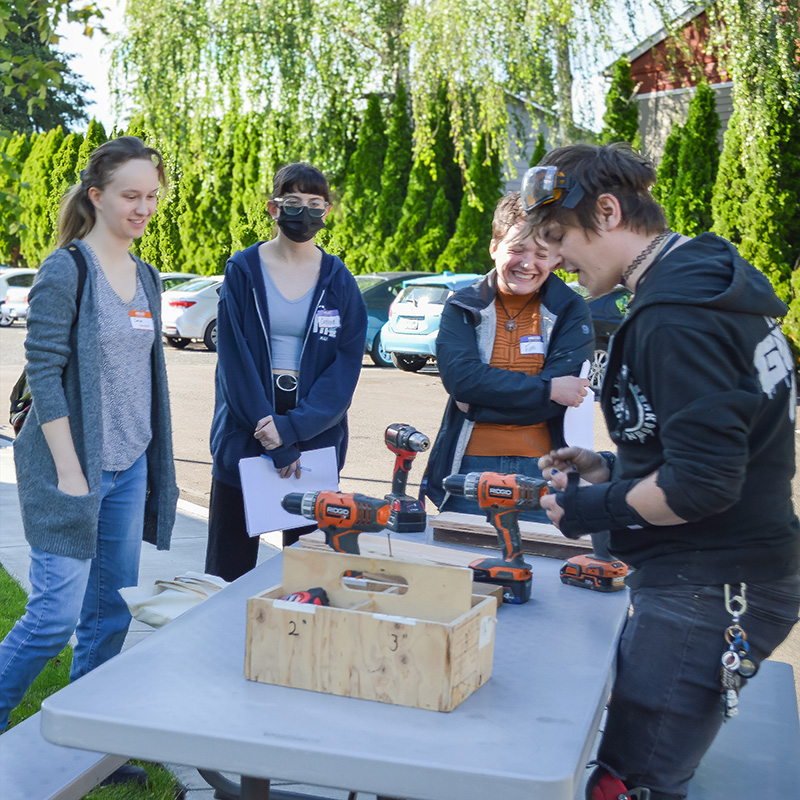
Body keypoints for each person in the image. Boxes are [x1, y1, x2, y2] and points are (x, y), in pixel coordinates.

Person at [526, 143, 800, 800]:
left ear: (610, 211)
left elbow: (704, 484)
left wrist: (595, 509)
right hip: (719, 572)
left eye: (560, 238)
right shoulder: (701, 284)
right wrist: (605, 468)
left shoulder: (677, 317)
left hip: (711, 587)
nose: (556, 260)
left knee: (631, 782)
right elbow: (711, 447)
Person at [0, 137, 179, 784]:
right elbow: (43, 373)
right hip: (67, 469)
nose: (143, 208)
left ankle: (89, 744)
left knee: (109, 613)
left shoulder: (150, 276)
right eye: (131, 195)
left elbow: (142, 375)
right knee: (52, 616)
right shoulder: (65, 270)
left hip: (129, 465)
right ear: (97, 196)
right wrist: (71, 467)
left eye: (152, 196)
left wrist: (148, 463)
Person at [206, 162, 367, 582]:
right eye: (293, 202)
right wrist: (269, 432)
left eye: (315, 203)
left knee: (306, 578)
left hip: (312, 447)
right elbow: (234, 360)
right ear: (273, 208)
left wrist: (292, 431)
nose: (304, 212)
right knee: (228, 576)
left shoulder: (340, 281)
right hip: (245, 436)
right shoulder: (243, 270)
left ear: (326, 212)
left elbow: (344, 368)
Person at [423, 191, 594, 521]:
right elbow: (462, 380)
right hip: (468, 469)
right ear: (494, 248)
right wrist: (546, 388)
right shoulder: (462, 306)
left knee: (535, 569)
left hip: (545, 473)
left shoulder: (571, 310)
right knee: (466, 568)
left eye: (541, 253)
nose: (528, 263)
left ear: (556, 258)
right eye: (517, 249)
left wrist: (477, 403)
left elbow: (562, 398)